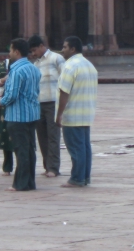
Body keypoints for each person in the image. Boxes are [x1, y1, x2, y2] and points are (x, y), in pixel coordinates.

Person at [55, 36, 98, 188]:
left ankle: (77, 178)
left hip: (73, 114)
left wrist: (59, 114)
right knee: (84, 147)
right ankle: (84, 176)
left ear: (73, 49)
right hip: (86, 113)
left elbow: (64, 92)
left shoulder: (70, 66)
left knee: (75, 148)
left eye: (65, 47)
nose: (63, 50)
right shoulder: (89, 65)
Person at [0, 38, 40, 192]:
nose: (9, 54)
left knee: (21, 150)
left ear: (16, 52)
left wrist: (1, 102)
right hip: (32, 113)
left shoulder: (16, 71)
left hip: (17, 115)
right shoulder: (34, 68)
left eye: (11, 50)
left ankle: (20, 183)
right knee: (29, 149)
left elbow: (12, 95)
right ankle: (29, 182)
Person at [30, 34, 64, 178]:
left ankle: (53, 168)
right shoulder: (35, 64)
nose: (33, 54)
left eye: (34, 50)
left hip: (53, 103)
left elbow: (65, 79)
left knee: (53, 136)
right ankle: (47, 165)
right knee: (42, 137)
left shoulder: (56, 59)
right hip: (39, 104)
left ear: (42, 46)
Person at [0, 58, 14, 176]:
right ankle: (7, 166)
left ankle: (23, 166)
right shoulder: (4, 65)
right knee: (6, 134)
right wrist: (3, 79)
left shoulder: (25, 66)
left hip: (19, 106)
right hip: (5, 106)